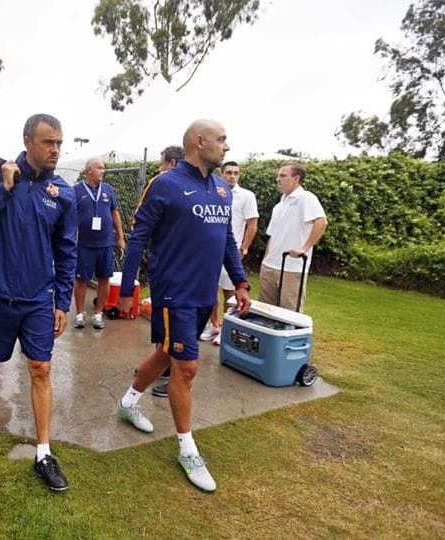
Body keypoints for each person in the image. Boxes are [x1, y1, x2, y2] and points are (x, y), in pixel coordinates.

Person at [114, 119, 251, 492]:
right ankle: (188, 450)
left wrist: (240, 282)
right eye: (221, 139)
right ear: (199, 141)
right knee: (186, 367)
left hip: (205, 294)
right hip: (174, 293)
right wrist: (127, 289)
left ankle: (128, 401)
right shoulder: (165, 184)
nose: (226, 146)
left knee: (166, 353)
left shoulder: (222, 189)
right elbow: (138, 239)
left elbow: (227, 241)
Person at [0, 113, 77, 492]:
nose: (56, 150)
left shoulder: (63, 193)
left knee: (41, 368)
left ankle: (43, 453)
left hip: (39, 299)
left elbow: (67, 250)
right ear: (27, 142)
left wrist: (62, 301)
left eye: (59, 143)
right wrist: (4, 190)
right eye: (48, 142)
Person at [199, 161, 259, 346]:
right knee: (210, 291)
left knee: (230, 293)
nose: (232, 176)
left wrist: (243, 248)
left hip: (231, 253)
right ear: (221, 174)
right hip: (210, 253)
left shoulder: (247, 196)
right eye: (229, 173)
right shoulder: (212, 192)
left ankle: (226, 328)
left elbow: (252, 224)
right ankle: (213, 325)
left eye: (235, 173)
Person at [259, 162, 328, 311]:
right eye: (278, 175)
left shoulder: (306, 197)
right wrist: (266, 259)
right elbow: (272, 235)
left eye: (283, 176)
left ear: (296, 178)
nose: (278, 179)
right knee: (264, 312)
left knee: (289, 314)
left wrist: (304, 248)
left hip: (292, 267)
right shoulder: (279, 205)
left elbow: (321, 222)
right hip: (269, 266)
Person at [148, 145, 185, 397]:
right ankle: (160, 366)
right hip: (164, 267)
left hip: (177, 270)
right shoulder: (166, 187)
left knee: (176, 327)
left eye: (162, 164)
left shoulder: (178, 190)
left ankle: (174, 376)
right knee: (163, 324)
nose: (159, 169)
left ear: (171, 164)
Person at [73, 157, 125, 330]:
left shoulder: (108, 189)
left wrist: (120, 237)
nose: (103, 171)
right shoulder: (76, 191)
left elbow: (115, 213)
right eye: (100, 168)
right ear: (89, 170)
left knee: (104, 278)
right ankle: (80, 314)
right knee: (81, 279)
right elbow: (70, 216)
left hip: (105, 244)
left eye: (103, 168)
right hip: (84, 245)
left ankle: (98, 314)